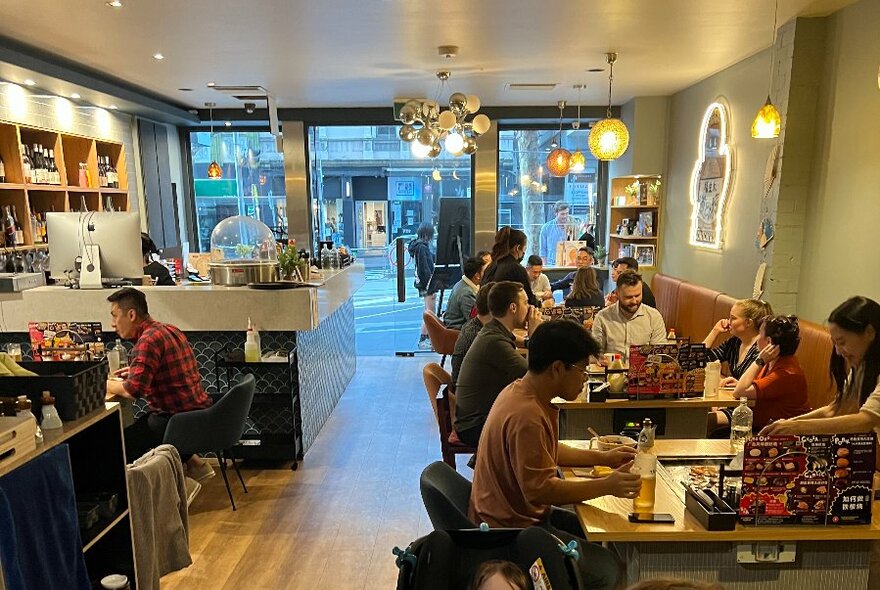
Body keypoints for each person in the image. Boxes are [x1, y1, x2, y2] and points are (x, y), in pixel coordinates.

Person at [470, 319, 640, 590]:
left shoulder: (520, 391)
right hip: (511, 533)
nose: (585, 378)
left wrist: (602, 458)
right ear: (557, 368)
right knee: (610, 568)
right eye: (583, 370)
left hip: (505, 519)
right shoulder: (527, 415)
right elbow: (540, 490)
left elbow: (545, 450)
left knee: (595, 530)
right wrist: (607, 486)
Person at [104, 288, 214, 480]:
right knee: (142, 425)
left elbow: (133, 391)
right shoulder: (169, 329)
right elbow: (170, 369)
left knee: (115, 446)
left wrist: (104, 384)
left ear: (131, 314)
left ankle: (139, 500)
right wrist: (136, 371)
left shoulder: (146, 342)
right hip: (198, 414)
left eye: (115, 316)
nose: (112, 324)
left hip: (175, 421)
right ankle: (193, 465)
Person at [761, 296, 880, 436]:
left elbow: (865, 421)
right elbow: (836, 409)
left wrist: (797, 427)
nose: (838, 351)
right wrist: (786, 424)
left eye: (842, 342)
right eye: (834, 343)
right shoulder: (862, 365)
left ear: (869, 332)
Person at [454, 281, 543, 447]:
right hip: (475, 426)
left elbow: (525, 343)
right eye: (525, 302)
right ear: (512, 308)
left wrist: (536, 338)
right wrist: (535, 332)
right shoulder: (494, 341)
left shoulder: (494, 330)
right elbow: (532, 378)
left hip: (477, 418)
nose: (530, 307)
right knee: (534, 421)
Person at [709, 315, 809, 431]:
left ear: (768, 341)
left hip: (778, 435)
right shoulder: (773, 361)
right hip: (759, 424)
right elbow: (754, 388)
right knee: (709, 418)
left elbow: (739, 392)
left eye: (760, 334)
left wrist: (759, 360)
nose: (757, 339)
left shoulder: (786, 373)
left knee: (709, 421)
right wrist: (739, 383)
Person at [592, 270, 667, 358]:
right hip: (612, 370)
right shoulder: (602, 317)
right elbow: (596, 353)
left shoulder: (654, 317)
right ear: (617, 294)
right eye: (629, 297)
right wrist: (599, 359)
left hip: (643, 370)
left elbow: (659, 353)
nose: (634, 301)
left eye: (637, 295)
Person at [703, 299, 773, 378]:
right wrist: (714, 332)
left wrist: (737, 384)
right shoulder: (734, 342)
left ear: (748, 323)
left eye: (733, 318)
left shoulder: (760, 348)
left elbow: (756, 383)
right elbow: (699, 361)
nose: (728, 322)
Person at [481, 227, 539, 307]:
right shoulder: (516, 269)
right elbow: (528, 299)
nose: (523, 253)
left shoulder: (492, 266)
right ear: (517, 248)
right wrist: (541, 304)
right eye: (524, 249)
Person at [451, 284, 493, 385]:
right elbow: (524, 370)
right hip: (478, 396)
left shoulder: (474, 324)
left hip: (468, 389)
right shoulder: (484, 339)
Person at [409, 222, 437, 350]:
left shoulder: (419, 246)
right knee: (430, 312)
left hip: (424, 283)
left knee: (429, 311)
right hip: (427, 284)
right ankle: (424, 339)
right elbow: (424, 269)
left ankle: (426, 338)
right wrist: (429, 285)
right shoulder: (422, 248)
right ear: (427, 234)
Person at [444, 256, 485, 329]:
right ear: (477, 276)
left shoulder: (462, 284)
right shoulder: (466, 293)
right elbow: (475, 321)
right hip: (458, 331)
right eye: (484, 271)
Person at [539, 201, 577, 266]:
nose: (565, 216)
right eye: (562, 214)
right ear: (556, 213)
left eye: (567, 213)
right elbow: (542, 250)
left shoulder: (573, 226)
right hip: (551, 265)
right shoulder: (546, 228)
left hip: (569, 265)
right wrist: (544, 267)